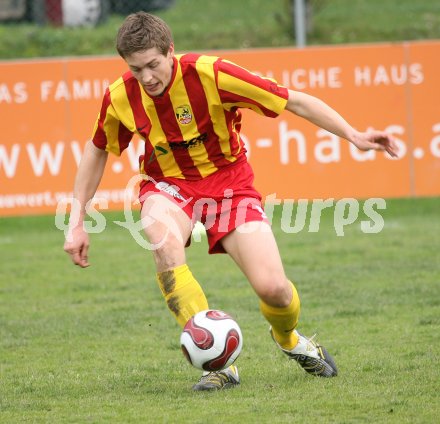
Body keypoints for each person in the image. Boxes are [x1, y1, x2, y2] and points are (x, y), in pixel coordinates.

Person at [63, 12, 398, 391]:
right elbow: (97, 151)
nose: (147, 78)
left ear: (171, 51)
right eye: (136, 69)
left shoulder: (214, 74)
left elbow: (294, 101)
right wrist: (77, 220)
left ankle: (289, 339)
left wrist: (353, 135)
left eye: (153, 65)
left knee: (275, 289)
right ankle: (218, 363)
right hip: (168, 185)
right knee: (162, 241)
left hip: (230, 185)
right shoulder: (121, 96)